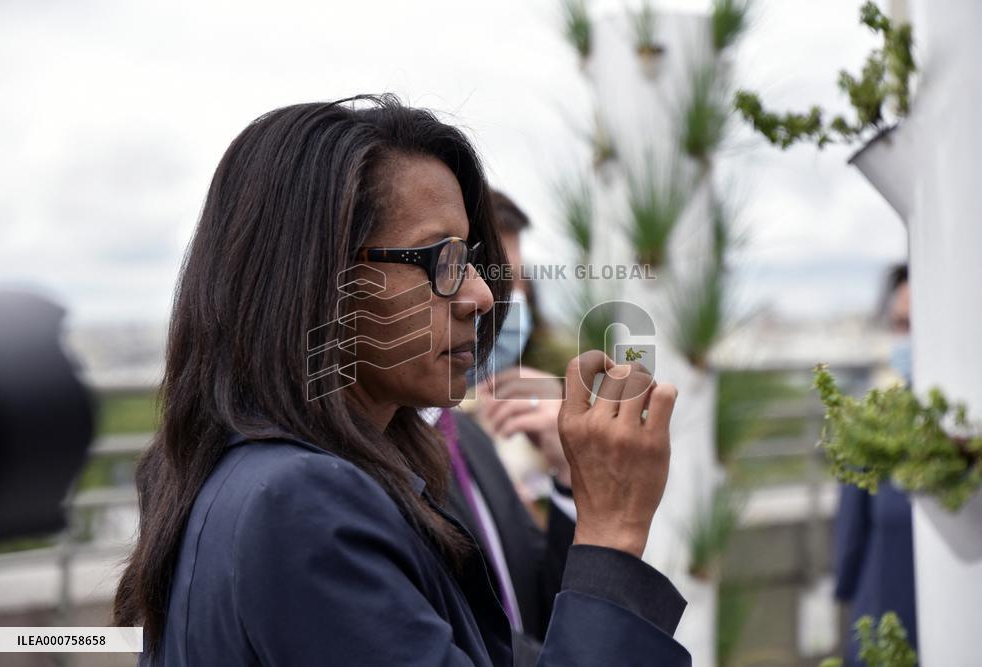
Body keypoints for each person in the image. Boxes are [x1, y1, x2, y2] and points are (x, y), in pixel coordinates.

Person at [112, 95, 690, 666]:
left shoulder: (282, 474)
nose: (482, 297)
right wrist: (612, 532)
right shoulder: (302, 506)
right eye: (441, 260)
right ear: (317, 277)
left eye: (474, 263)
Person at [422, 191, 577, 665]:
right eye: (493, 278)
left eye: (517, 283)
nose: (494, 300)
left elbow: (538, 607)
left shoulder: (464, 436)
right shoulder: (366, 461)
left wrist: (573, 477)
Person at [834, 264, 917, 663]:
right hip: (883, 628)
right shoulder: (873, 426)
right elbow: (850, 541)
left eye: (919, 323)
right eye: (900, 324)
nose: (908, 337)